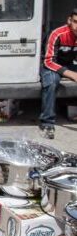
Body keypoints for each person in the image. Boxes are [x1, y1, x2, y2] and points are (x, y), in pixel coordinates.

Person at [39, 8, 77, 139]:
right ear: (69, 21)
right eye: (76, 22)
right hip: (51, 64)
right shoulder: (58, 33)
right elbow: (48, 61)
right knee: (51, 82)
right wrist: (72, 74)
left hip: (70, 64)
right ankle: (47, 123)